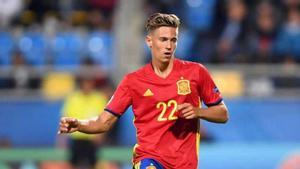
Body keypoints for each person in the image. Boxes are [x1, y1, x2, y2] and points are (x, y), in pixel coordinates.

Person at [59, 13, 229, 169]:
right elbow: (104, 122)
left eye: (173, 40)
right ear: (149, 41)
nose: (169, 46)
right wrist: (80, 124)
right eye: (163, 39)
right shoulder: (133, 82)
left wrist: (198, 111)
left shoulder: (196, 72)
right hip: (149, 159)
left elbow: (222, 113)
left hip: (184, 163)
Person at [61, 75, 108, 169]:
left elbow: (105, 117)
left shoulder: (99, 98)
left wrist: (101, 134)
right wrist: (63, 137)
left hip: (92, 137)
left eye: (89, 83)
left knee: (92, 164)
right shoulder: (73, 98)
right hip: (77, 136)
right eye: (85, 83)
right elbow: (66, 116)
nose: (87, 86)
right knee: (74, 164)